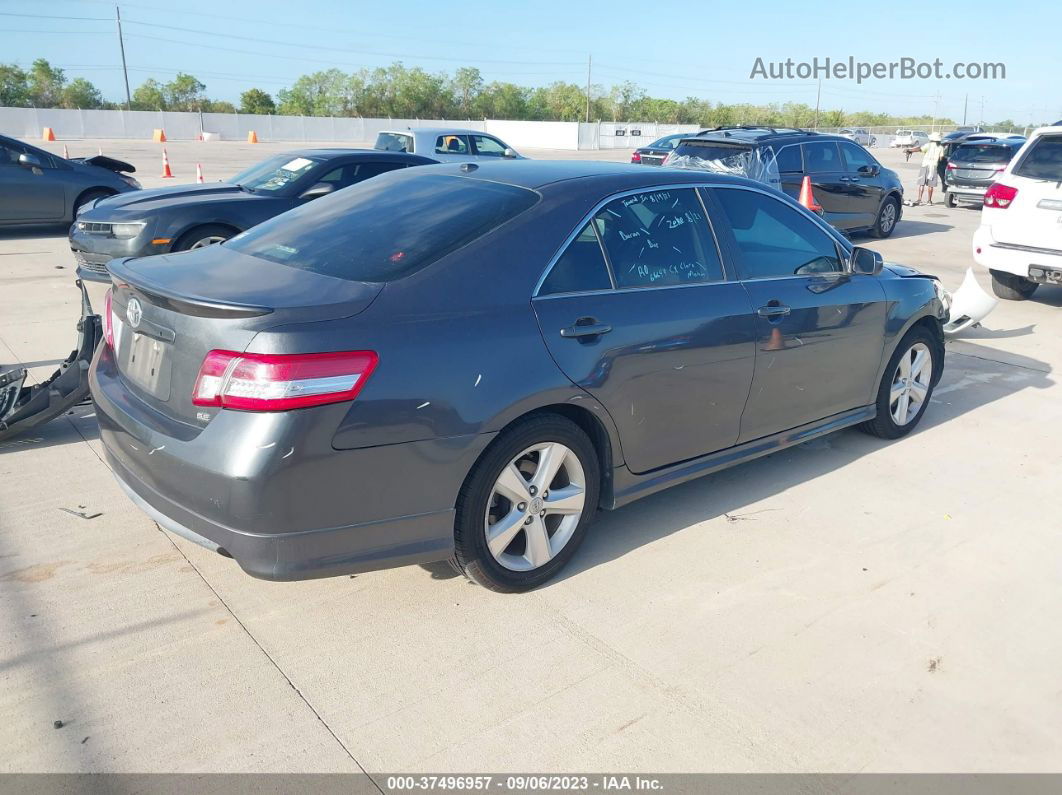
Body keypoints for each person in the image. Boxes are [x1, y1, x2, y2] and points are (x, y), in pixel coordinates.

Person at [908, 132, 946, 205]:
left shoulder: (928, 145)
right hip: (934, 166)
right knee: (930, 185)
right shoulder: (941, 147)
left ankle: (919, 199)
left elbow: (920, 149)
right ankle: (929, 201)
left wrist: (910, 150)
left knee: (921, 184)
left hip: (925, 165)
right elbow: (941, 158)